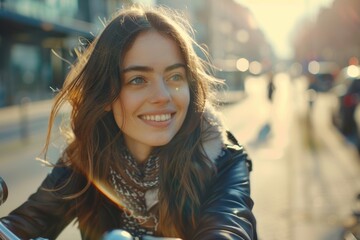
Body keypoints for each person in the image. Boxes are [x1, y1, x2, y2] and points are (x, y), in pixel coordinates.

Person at [0, 4, 257, 240]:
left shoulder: (222, 159)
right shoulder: (87, 158)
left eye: (175, 76)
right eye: (137, 80)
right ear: (105, 95)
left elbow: (230, 226)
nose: (163, 96)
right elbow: (25, 222)